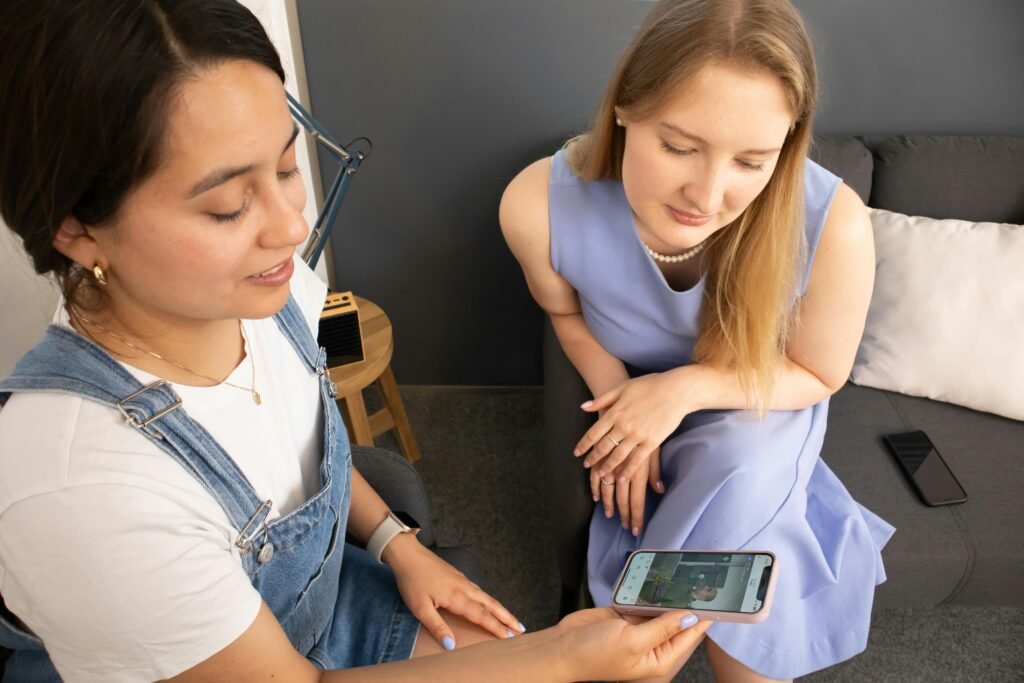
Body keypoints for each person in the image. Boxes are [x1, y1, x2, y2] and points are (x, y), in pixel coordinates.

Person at [0, 1, 711, 681]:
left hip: (319, 608)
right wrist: (566, 658)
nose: (290, 226)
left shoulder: (269, 295)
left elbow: (307, 448)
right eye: (227, 206)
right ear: (76, 228)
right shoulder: (82, 490)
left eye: (285, 168)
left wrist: (393, 541)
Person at [500, 0, 895, 681]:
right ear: (625, 107)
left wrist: (681, 389)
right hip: (649, 402)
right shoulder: (536, 206)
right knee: (752, 536)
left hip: (760, 396)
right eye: (679, 146)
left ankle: (639, 633)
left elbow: (817, 372)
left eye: (752, 160)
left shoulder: (835, 225)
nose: (708, 195)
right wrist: (622, 397)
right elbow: (566, 318)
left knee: (744, 466)